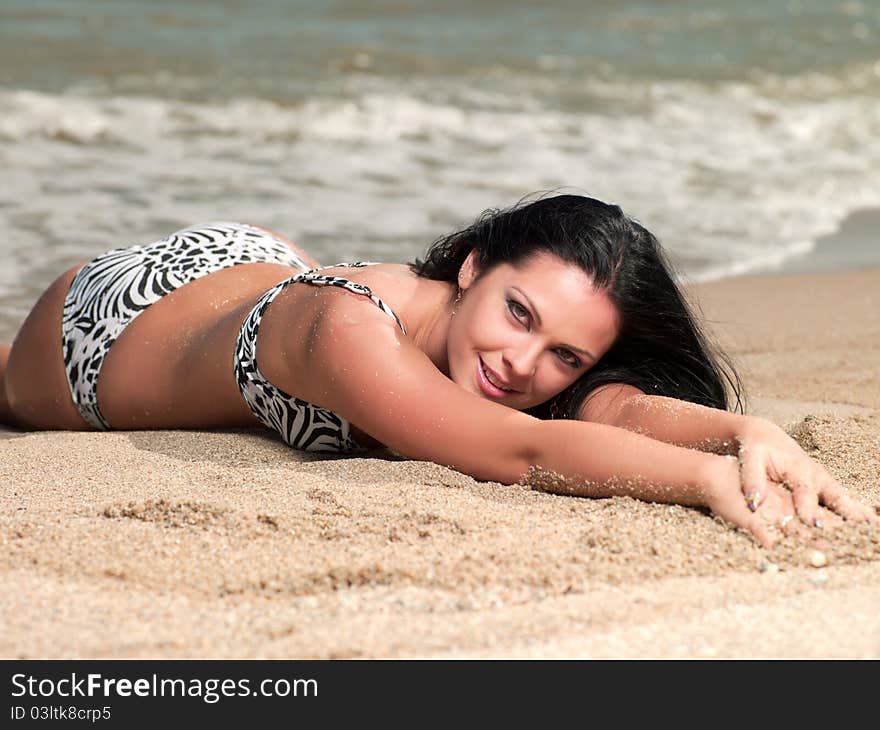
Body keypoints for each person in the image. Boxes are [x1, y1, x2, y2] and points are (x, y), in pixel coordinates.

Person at [0, 193, 874, 547]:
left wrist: (743, 433)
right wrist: (704, 480)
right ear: (471, 268)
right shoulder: (345, 334)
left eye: (564, 353)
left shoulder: (487, 346)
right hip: (96, 332)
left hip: (261, 264)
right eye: (517, 313)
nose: (520, 362)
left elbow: (612, 415)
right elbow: (524, 451)